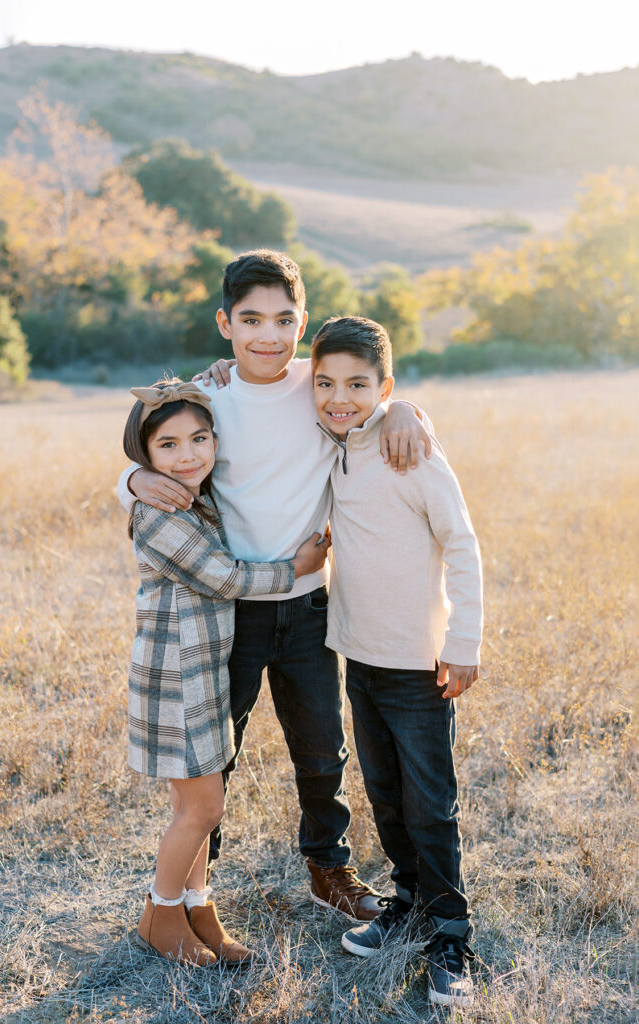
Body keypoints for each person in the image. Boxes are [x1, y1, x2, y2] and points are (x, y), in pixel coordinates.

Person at [119, 250, 434, 921]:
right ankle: (199, 890)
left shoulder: (318, 388)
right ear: (225, 322)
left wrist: (407, 407)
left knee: (322, 748)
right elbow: (155, 449)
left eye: (284, 319)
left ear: (304, 322)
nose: (268, 333)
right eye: (251, 318)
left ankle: (330, 866)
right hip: (229, 612)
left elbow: (372, 394)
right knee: (215, 757)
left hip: (310, 607)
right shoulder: (209, 398)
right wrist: (127, 480)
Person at [123, 378, 330, 965]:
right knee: (202, 810)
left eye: (199, 438)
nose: (187, 454)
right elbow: (227, 577)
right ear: (145, 456)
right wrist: (297, 568)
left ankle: (198, 906)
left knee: (197, 805)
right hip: (175, 681)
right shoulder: (159, 514)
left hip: (203, 675)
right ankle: (160, 915)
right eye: (168, 445)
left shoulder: (196, 497)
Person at [310, 316, 483, 1010]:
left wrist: (464, 641)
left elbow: (462, 545)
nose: (338, 397)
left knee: (430, 803)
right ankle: (409, 902)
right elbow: (280, 383)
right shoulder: (332, 443)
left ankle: (450, 933)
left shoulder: (413, 452)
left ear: (385, 387)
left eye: (358, 385)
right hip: (362, 655)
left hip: (419, 664)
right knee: (384, 791)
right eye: (325, 383)